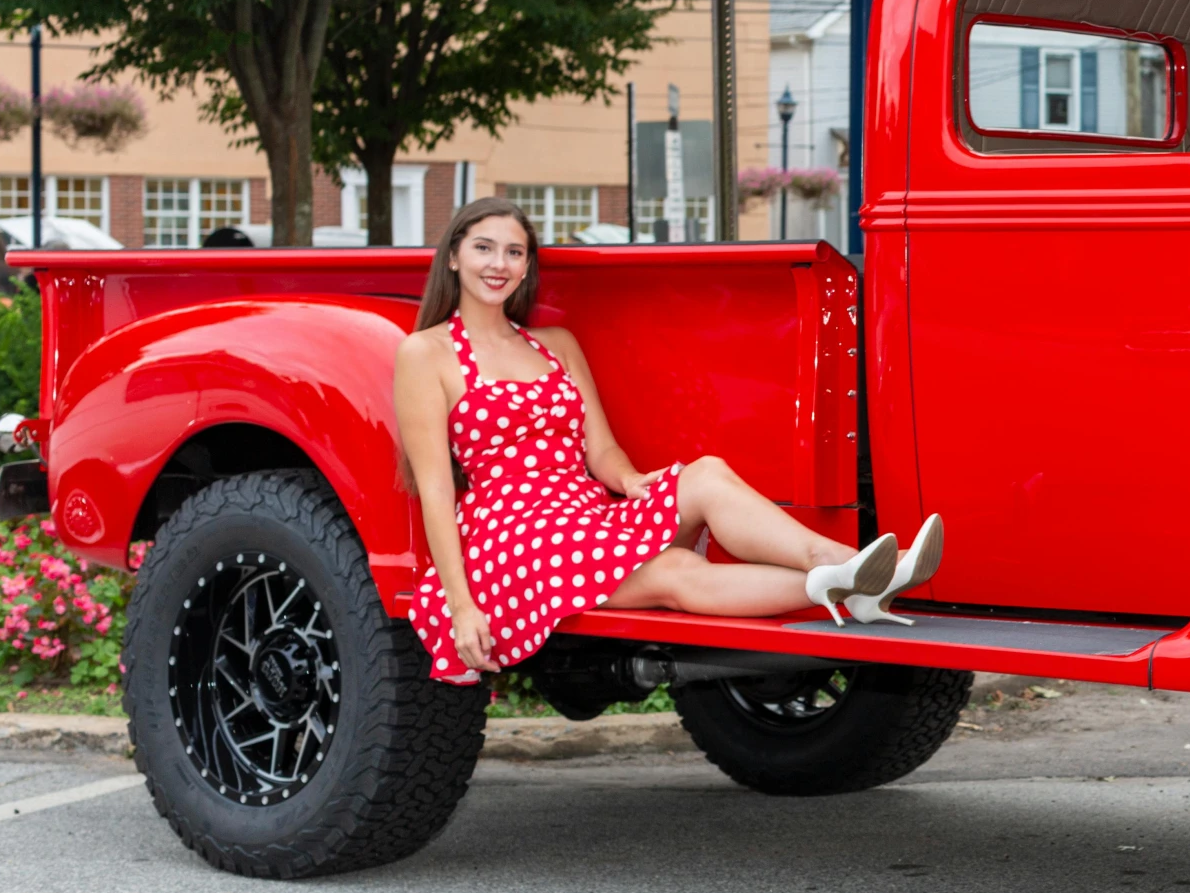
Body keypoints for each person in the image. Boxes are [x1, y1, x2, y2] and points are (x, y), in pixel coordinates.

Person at [392, 196, 940, 682]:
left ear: (527, 266)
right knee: (674, 573)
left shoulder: (553, 343)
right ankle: (851, 583)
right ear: (454, 257)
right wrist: (462, 605)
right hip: (513, 539)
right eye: (485, 248)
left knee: (704, 473)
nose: (499, 264)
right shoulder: (427, 353)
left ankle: (843, 563)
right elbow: (437, 491)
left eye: (515, 252)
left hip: (582, 514)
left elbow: (600, 450)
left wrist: (630, 480)